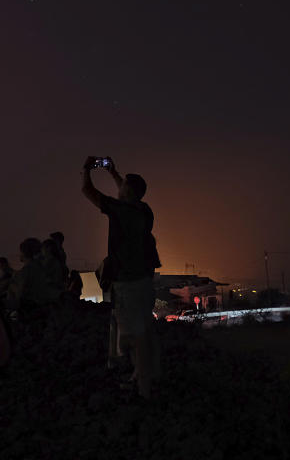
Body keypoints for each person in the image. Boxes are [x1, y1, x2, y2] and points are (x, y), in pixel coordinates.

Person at [81, 156, 161, 398]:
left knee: (133, 338)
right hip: (144, 280)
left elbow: (87, 191)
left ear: (127, 191)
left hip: (128, 283)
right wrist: (113, 173)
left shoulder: (121, 210)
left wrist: (87, 168)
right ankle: (141, 377)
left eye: (122, 184)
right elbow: (127, 194)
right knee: (142, 331)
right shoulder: (144, 210)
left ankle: (143, 389)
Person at [5, 238, 46, 313]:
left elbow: (20, 294)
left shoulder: (27, 271)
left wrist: (11, 285)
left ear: (24, 253)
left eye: (21, 251)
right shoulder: (39, 267)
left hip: (27, 310)